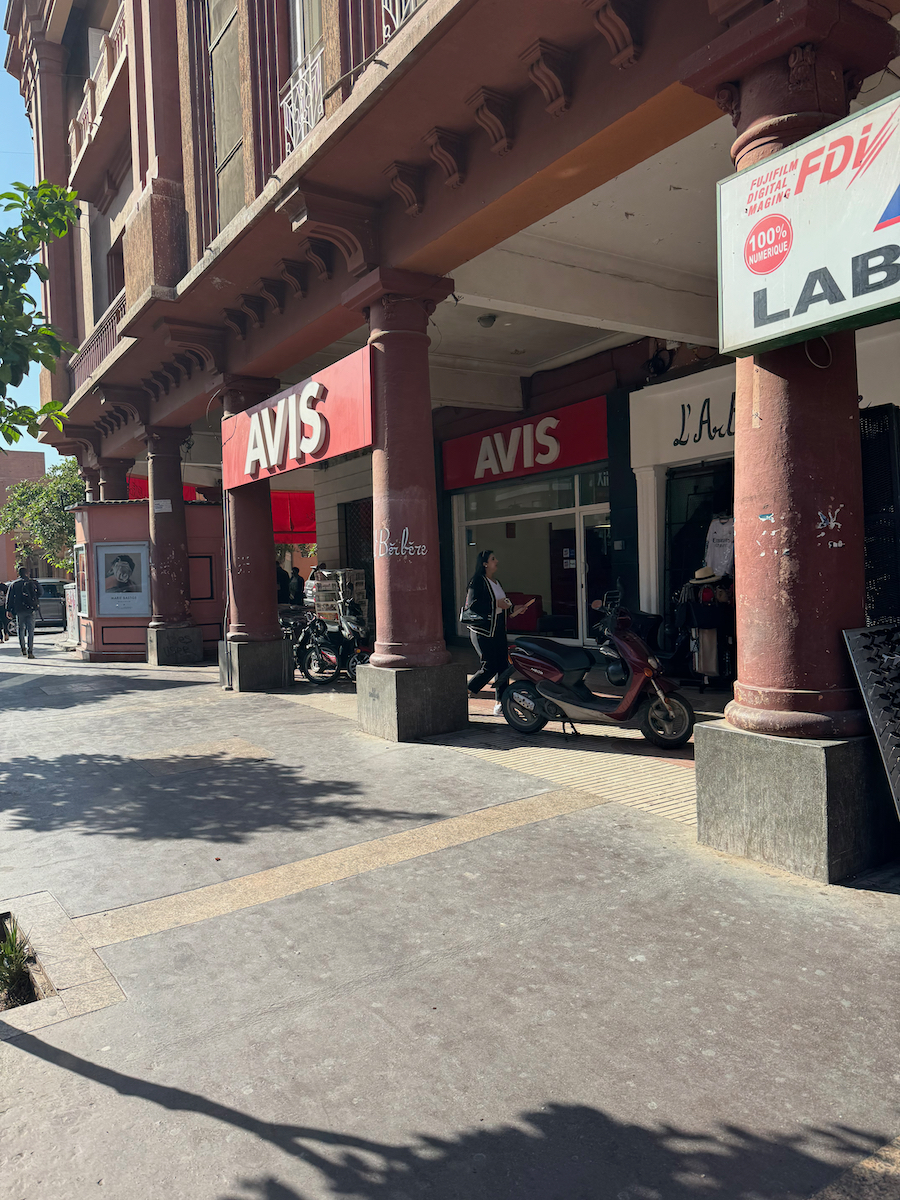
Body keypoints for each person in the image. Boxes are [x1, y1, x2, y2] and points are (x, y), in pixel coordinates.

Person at [465, 549, 530, 714]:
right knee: (490, 666)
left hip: (498, 629)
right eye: (493, 559)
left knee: (503, 665)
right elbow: (473, 606)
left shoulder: (496, 582)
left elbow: (503, 605)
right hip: (483, 630)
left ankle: (501, 703)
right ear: (485, 564)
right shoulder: (477, 581)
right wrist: (495, 604)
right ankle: (465, 691)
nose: (497, 561)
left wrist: (515, 609)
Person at [6, 568, 41, 659]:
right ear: (27, 573)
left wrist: (8, 610)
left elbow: (9, 598)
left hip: (19, 610)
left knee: (20, 629)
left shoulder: (14, 584)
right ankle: (30, 651)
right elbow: (41, 592)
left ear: (18, 574)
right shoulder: (32, 582)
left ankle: (23, 649)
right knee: (30, 631)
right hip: (31, 609)